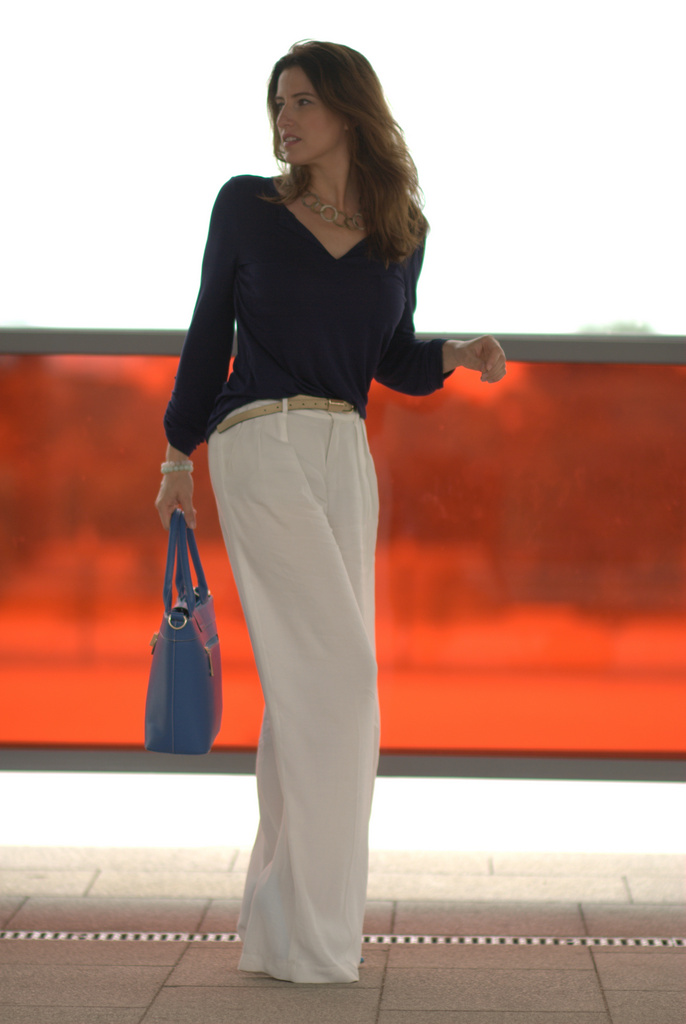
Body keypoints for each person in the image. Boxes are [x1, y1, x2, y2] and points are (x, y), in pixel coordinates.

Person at [155, 40, 506, 984]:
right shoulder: (247, 206)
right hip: (258, 440)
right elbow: (208, 328)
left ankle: (279, 929)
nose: (285, 119)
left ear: (351, 108)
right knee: (342, 680)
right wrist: (178, 449)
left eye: (304, 101)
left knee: (309, 695)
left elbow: (390, 357)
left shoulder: (402, 230)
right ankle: (315, 942)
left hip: (346, 453)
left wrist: (455, 355)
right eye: (279, 103)